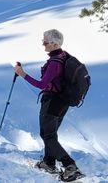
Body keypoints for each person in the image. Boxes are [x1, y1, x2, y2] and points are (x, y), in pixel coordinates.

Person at [16, 29, 83, 182]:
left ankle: (70, 166)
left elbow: (42, 84)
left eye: (45, 42)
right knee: (50, 134)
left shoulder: (54, 63)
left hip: (52, 101)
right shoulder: (64, 56)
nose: (43, 44)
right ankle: (48, 163)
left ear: (54, 44)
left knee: (47, 135)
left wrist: (22, 74)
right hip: (62, 102)